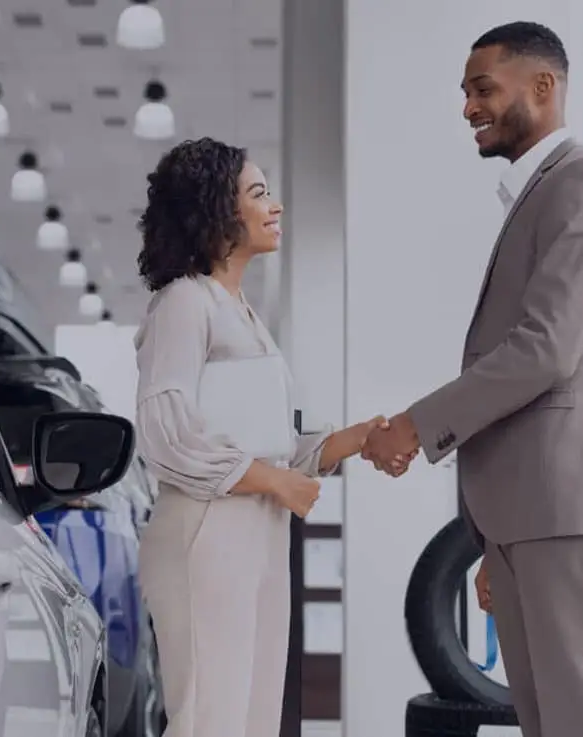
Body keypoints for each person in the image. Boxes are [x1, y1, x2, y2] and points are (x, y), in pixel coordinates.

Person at [362, 21, 583, 737]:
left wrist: (416, 424)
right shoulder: (538, 193)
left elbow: (544, 350)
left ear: (543, 87)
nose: (466, 107)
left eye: (482, 88)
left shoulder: (574, 183)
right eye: (464, 92)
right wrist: (493, 536)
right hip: (525, 520)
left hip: (559, 518)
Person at [133, 137, 385, 737]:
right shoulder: (184, 303)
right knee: (209, 716)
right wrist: (275, 480)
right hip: (206, 531)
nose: (274, 206)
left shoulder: (239, 310)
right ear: (216, 210)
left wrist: (358, 439)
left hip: (256, 531)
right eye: (257, 193)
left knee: (252, 716)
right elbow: (166, 433)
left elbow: (265, 442)